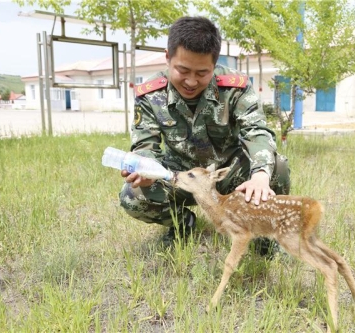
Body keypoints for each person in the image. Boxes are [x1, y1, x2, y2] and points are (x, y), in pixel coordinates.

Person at [119, 16, 290, 254]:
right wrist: (146, 170)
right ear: (168, 57)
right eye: (182, 70)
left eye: (202, 72)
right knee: (133, 195)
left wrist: (260, 174)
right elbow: (145, 145)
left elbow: (257, 131)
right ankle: (182, 225)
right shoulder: (150, 93)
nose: (191, 81)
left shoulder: (234, 87)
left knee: (276, 167)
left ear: (215, 64)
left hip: (229, 174)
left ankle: (263, 234)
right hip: (179, 176)